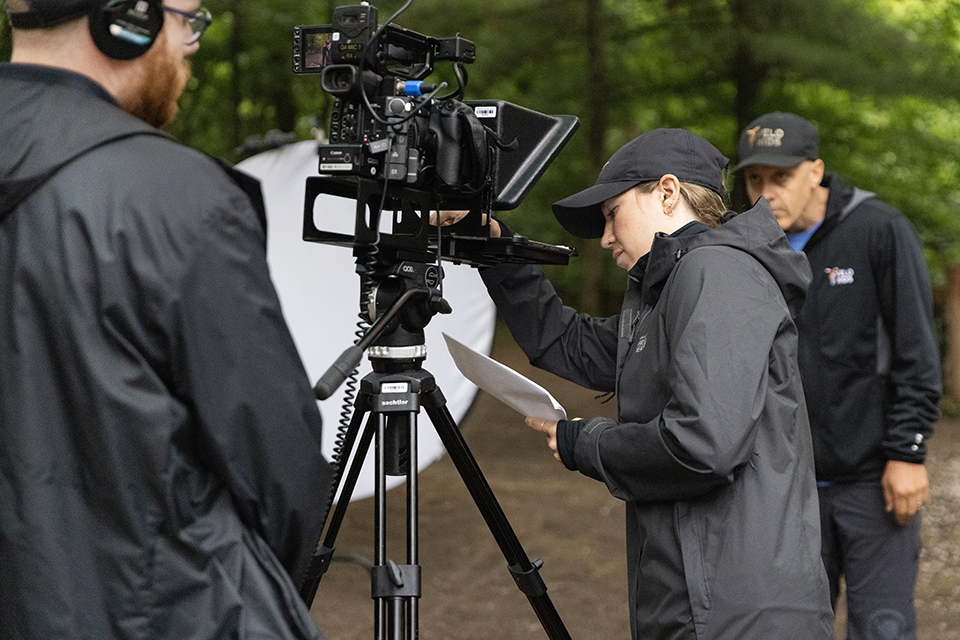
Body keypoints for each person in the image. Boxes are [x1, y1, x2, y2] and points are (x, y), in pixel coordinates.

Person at [0, 1, 333, 638]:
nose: (192, 44)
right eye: (188, 19)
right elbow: (277, 470)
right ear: (126, 19)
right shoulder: (180, 198)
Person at [469, 128, 834, 638]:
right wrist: (495, 247)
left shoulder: (717, 272)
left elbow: (705, 444)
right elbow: (566, 343)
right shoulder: (669, 287)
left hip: (735, 612)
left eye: (612, 213)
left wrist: (587, 442)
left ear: (667, 193)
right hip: (696, 598)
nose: (605, 237)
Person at [736, 112, 942, 640]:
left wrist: (908, 453)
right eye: (754, 179)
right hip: (787, 489)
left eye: (779, 178)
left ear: (815, 171)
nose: (765, 193)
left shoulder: (880, 230)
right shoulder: (749, 248)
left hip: (872, 482)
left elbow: (917, 353)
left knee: (884, 629)